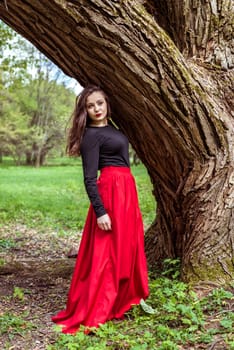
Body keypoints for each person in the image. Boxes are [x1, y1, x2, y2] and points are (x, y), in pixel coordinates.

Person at [51, 85, 149, 334]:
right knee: (107, 253)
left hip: (126, 189)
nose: (96, 109)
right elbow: (89, 178)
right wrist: (100, 211)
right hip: (110, 192)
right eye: (90, 106)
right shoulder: (91, 137)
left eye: (99, 103)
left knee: (126, 245)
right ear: (85, 110)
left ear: (107, 104)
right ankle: (100, 305)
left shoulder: (113, 128)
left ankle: (123, 298)